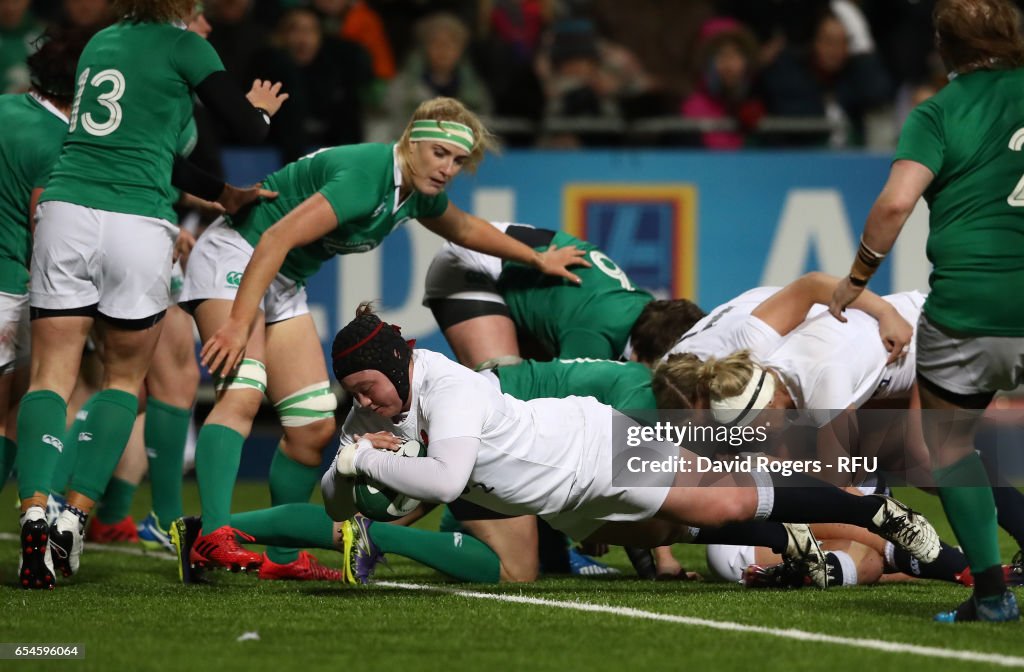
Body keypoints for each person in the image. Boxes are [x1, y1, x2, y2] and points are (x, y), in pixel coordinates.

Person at [181, 96, 588, 575]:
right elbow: (274, 238)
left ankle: (282, 558)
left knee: (312, 429)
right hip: (238, 256)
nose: (447, 168)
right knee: (243, 395)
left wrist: (537, 258)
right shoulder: (366, 174)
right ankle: (209, 537)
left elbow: (463, 226)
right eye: (439, 153)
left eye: (457, 161)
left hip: (283, 281)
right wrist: (235, 322)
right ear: (411, 140)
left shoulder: (415, 190)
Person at [321, 307, 943, 592]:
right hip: (559, 495)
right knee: (661, 536)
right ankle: (795, 541)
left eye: (366, 388)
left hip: (591, 449)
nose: (365, 403)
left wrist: (366, 461)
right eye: (354, 395)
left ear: (395, 364)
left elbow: (447, 481)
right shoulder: (379, 401)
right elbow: (334, 494)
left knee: (724, 504)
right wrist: (348, 468)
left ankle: (876, 515)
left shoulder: (447, 386)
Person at [14, 0, 287, 590]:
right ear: (183, 8)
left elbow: (151, 150)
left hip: (66, 210)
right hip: (136, 221)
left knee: (51, 376)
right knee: (121, 379)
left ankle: (34, 510)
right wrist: (259, 112)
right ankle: (73, 519)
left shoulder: (101, 42)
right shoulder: (185, 46)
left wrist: (221, 192)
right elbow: (243, 128)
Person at [829, 0, 1024, 623]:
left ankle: (992, 595)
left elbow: (894, 206)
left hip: (969, 307)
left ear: (945, 49)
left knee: (948, 446)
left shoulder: (938, 112)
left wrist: (857, 277)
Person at [424, 220, 704, 368]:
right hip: (468, 261)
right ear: (638, 357)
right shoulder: (593, 336)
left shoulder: (648, 312)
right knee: (504, 394)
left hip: (522, 276)